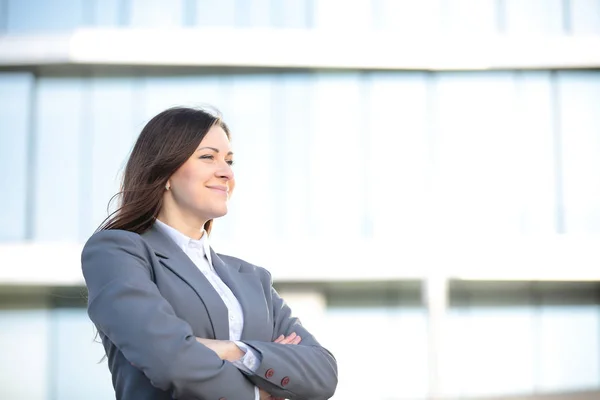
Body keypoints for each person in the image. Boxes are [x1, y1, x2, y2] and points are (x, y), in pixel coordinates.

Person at [81, 107, 338, 400]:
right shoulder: (117, 253)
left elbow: (323, 373)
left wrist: (235, 350)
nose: (227, 172)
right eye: (208, 157)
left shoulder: (253, 279)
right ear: (164, 172)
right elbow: (170, 361)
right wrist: (260, 390)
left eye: (229, 161)